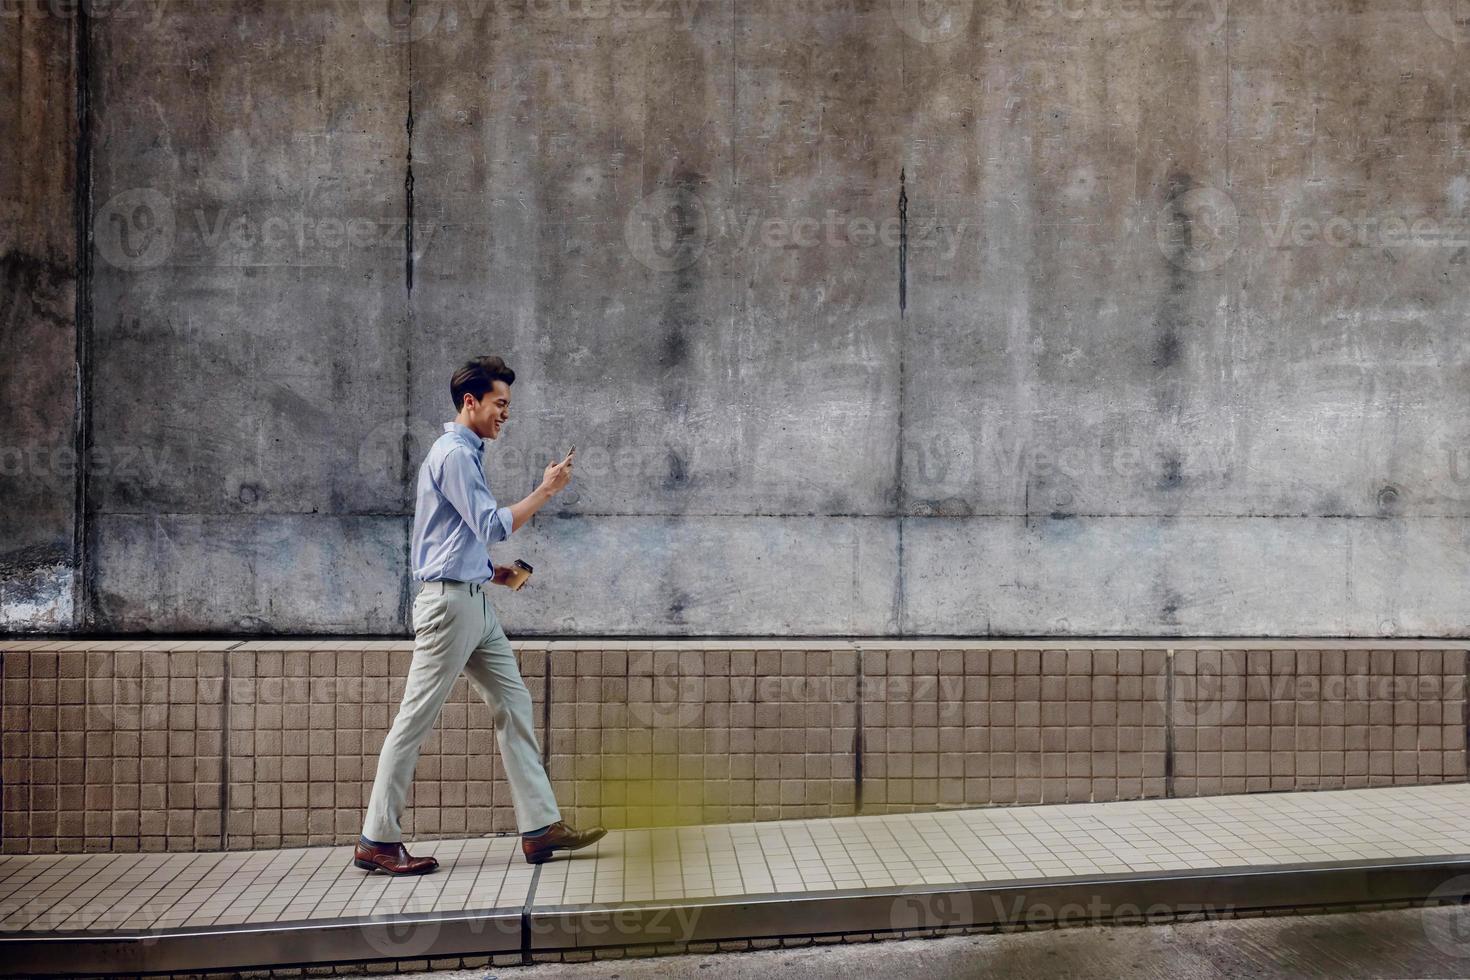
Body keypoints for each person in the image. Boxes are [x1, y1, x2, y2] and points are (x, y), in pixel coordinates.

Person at [354, 356, 605, 874]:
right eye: (500, 403)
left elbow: (454, 539)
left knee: (513, 703)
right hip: (449, 608)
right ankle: (377, 839)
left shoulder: (466, 453)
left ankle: (541, 828)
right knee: (414, 720)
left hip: (472, 600)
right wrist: (546, 490)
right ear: (471, 401)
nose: (505, 414)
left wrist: (494, 574)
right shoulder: (455, 455)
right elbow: (491, 524)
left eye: (508, 405)